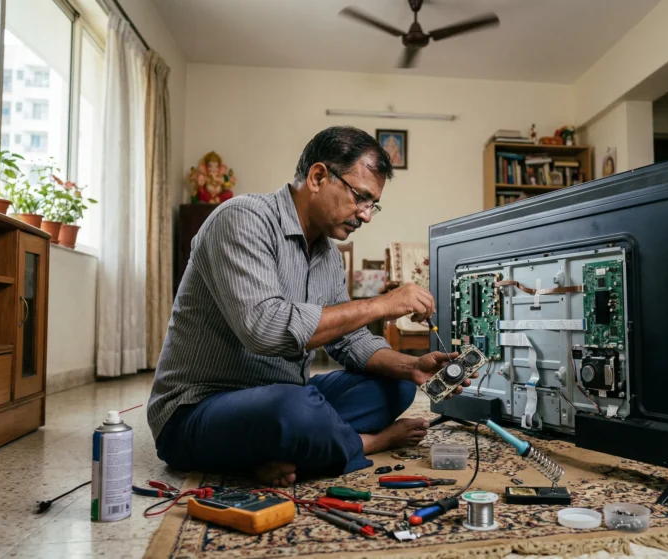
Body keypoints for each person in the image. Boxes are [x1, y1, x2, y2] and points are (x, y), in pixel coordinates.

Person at [148, 126, 472, 487]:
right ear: (318, 177)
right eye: (360, 197)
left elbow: (348, 341)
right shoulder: (240, 220)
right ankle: (367, 443)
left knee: (396, 387)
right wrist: (380, 305)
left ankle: (273, 453)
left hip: (280, 398)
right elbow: (265, 329)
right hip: (199, 409)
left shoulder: (327, 255)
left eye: (372, 205)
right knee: (294, 409)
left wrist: (412, 366)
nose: (365, 215)